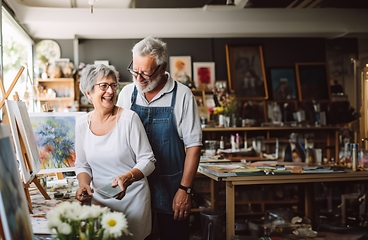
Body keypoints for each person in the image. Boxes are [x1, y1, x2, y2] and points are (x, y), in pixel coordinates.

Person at [117, 36, 202, 240]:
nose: (138, 78)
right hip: (133, 187)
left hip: (172, 188)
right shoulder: (127, 94)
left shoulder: (182, 95)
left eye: (145, 73)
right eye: (135, 71)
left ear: (162, 67)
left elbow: (194, 146)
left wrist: (184, 189)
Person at [75, 64, 156, 240]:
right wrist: (83, 184)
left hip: (133, 203)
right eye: (104, 86)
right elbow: (82, 164)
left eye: (113, 86)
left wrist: (127, 177)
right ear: (89, 93)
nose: (110, 91)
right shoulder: (82, 124)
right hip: (99, 204)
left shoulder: (129, 119)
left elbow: (148, 160)